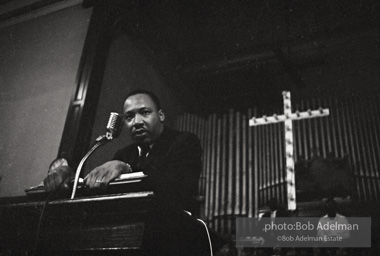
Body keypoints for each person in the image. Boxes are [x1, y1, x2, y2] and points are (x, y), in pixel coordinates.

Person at [43, 89, 211, 255]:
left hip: (171, 237)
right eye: (129, 117)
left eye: (145, 112)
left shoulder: (184, 141)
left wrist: (128, 169)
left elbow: (176, 191)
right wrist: (70, 181)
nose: (137, 122)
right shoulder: (123, 154)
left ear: (161, 116)